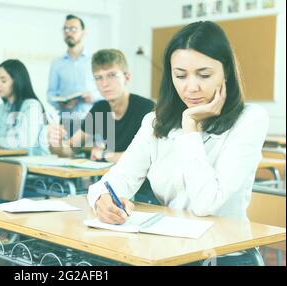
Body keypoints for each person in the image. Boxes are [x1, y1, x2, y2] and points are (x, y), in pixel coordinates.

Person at [88, 21, 269, 266]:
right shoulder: (155, 121)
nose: (191, 87)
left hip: (226, 256)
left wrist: (190, 128)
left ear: (225, 71)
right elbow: (115, 181)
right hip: (169, 252)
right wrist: (102, 200)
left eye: (204, 75)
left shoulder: (249, 119)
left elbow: (206, 204)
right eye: (180, 75)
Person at [48, 49, 154, 163]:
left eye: (112, 75)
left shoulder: (147, 109)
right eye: (98, 78)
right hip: (110, 179)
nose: (104, 84)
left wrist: (105, 155)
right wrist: (55, 143)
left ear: (126, 77)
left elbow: (148, 155)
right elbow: (69, 150)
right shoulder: (100, 109)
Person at [47, 14, 102, 136]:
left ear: (83, 32)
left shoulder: (95, 60)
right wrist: (60, 103)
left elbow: (106, 90)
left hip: (94, 117)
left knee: (96, 154)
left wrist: (93, 96)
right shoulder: (56, 63)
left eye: (73, 29)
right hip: (67, 119)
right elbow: (50, 94)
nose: (69, 32)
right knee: (65, 153)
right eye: (65, 29)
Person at [0, 59, 48, 156]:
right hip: (7, 162)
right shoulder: (2, 108)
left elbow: (25, 142)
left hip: (30, 165)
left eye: (3, 80)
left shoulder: (32, 106)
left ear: (17, 80)